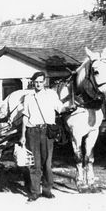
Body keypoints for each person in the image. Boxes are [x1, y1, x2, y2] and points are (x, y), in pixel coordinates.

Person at [19, 71, 71, 202]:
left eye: (40, 82)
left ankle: (47, 190)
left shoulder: (51, 95)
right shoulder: (28, 97)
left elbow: (60, 108)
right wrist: (22, 135)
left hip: (47, 131)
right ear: (33, 83)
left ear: (44, 82)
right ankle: (35, 192)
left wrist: (70, 107)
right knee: (34, 164)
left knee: (47, 163)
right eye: (36, 82)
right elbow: (25, 117)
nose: (38, 84)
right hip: (32, 131)